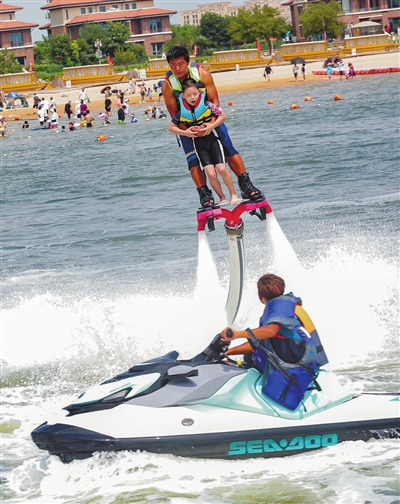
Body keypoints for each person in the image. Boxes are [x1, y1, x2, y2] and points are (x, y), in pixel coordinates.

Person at [162, 45, 263, 208]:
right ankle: (204, 194)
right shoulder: (168, 85)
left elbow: (215, 103)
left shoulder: (203, 74)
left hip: (211, 118)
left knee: (228, 147)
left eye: (180, 64)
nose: (177, 68)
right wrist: (189, 131)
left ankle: (246, 185)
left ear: (187, 62)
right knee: (192, 159)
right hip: (186, 126)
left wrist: (210, 125)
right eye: (173, 65)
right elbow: (174, 114)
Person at [220, 273, 329, 408]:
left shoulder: (279, 309)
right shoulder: (289, 306)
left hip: (298, 368)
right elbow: (258, 343)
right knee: (249, 355)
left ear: (260, 296)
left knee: (248, 361)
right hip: (306, 363)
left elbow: (271, 331)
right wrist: (228, 352)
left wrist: (239, 334)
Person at [168, 78, 240, 206]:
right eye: (189, 95)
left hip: (213, 141)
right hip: (199, 145)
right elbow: (171, 127)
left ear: (199, 93)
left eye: (195, 94)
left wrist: (211, 126)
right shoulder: (181, 113)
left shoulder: (208, 105)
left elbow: (223, 115)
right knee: (211, 173)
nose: (192, 97)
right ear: (183, 96)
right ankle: (222, 197)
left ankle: (233, 194)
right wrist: (186, 133)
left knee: (222, 168)